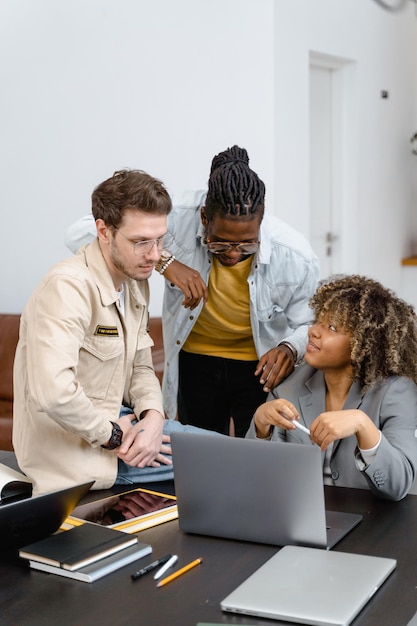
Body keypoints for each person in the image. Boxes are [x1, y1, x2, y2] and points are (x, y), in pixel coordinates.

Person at [66, 146, 320, 437]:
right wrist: (165, 262)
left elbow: (310, 321)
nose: (234, 255)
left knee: (261, 455)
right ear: (203, 218)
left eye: (247, 245)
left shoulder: (295, 255)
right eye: (220, 244)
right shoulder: (175, 216)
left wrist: (290, 347)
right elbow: (77, 234)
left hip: (259, 368)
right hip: (195, 363)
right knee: (200, 455)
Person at [13, 169, 202, 495]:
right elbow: (53, 392)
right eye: (140, 242)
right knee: (227, 461)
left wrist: (154, 419)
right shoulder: (66, 288)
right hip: (79, 451)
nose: (155, 255)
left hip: (125, 427)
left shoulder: (135, 282)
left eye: (159, 240)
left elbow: (141, 366)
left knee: (230, 455)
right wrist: (113, 434)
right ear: (103, 230)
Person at [246, 275, 417, 501]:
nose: (313, 331)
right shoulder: (290, 384)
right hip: (303, 516)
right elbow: (257, 478)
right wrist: (261, 427)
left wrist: (363, 425)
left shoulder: (396, 392)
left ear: (363, 345)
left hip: (376, 523)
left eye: (333, 327)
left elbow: (397, 486)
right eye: (318, 321)